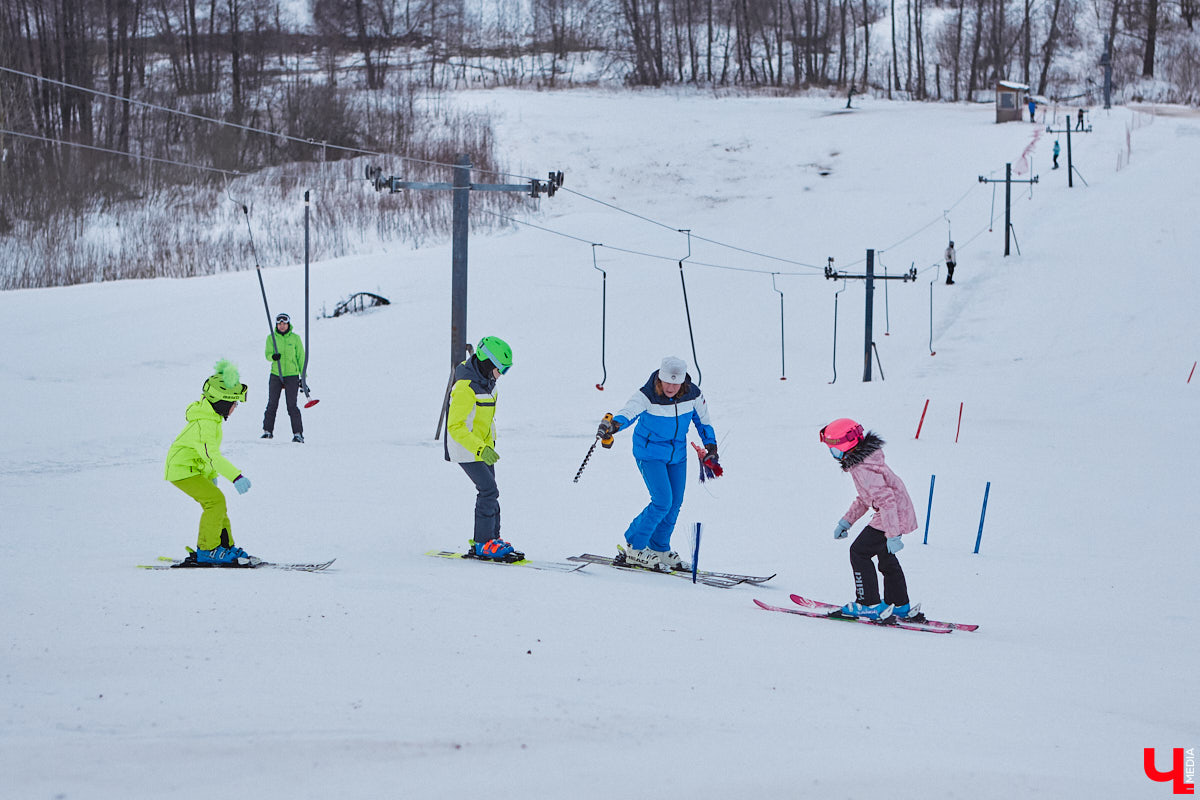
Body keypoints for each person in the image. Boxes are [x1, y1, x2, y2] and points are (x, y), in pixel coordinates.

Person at [597, 356, 717, 572]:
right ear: (660, 378)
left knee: (675, 502)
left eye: (675, 382)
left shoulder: (693, 395)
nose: (670, 387)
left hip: (677, 453)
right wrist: (614, 425)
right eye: (666, 382)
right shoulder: (647, 395)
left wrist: (710, 444)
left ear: (682, 382)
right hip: (649, 452)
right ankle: (635, 546)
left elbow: (703, 420)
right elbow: (628, 412)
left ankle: (659, 547)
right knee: (662, 500)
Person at [820, 418, 918, 621]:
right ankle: (899, 604)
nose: (832, 454)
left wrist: (892, 535)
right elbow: (865, 499)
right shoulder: (864, 462)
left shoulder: (862, 468)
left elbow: (887, 501)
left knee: (859, 552)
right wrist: (846, 521)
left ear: (845, 446)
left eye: (833, 449)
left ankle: (868, 604)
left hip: (890, 515)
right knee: (886, 558)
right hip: (894, 513)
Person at [164, 360, 255, 565]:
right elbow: (212, 456)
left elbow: (207, 456)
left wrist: (212, 476)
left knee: (217, 503)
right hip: (182, 470)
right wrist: (236, 476)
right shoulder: (205, 423)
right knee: (215, 502)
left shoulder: (211, 418)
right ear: (223, 402)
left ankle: (225, 546)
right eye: (234, 404)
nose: (235, 408)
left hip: (194, 469)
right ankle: (208, 549)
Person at [445, 336, 520, 560]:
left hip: (483, 449)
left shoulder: (489, 384)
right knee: (488, 491)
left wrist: (489, 445)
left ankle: (492, 539)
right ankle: (482, 543)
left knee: (492, 492)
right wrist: (479, 449)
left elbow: (486, 421)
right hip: (466, 449)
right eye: (502, 369)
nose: (502, 375)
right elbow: (455, 427)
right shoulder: (465, 387)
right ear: (488, 362)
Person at [261, 312, 306, 443]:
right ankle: (267, 431)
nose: (282, 326)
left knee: (292, 405)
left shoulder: (295, 338)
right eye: (279, 324)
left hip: (291, 375)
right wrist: (272, 357)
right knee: (272, 403)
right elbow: (267, 354)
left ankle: (298, 434)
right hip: (276, 374)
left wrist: (303, 377)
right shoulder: (271, 338)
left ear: (288, 324)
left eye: (284, 323)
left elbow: (301, 357)